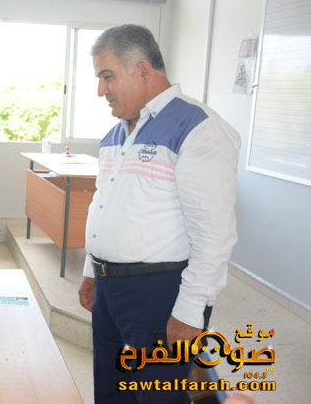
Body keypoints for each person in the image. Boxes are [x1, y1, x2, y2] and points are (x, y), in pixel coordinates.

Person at [77, 24, 240, 404]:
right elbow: (105, 205)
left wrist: (190, 310)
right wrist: (91, 270)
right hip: (110, 289)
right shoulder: (116, 134)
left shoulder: (198, 128)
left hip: (160, 292)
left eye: (107, 77)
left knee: (157, 396)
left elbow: (214, 234)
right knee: (111, 389)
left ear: (142, 70)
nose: (100, 90)